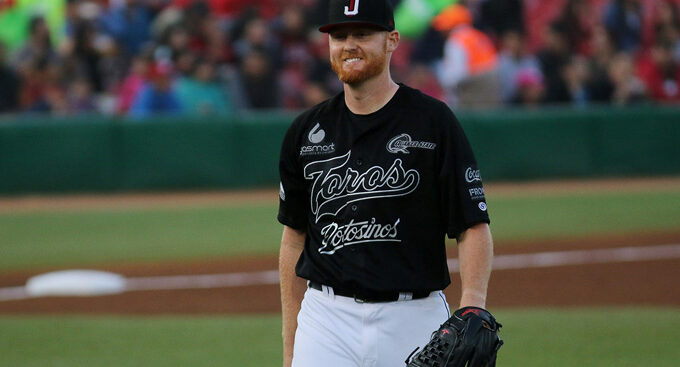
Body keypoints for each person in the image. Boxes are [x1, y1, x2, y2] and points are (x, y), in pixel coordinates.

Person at [278, 1, 496, 367]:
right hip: (325, 319)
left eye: (363, 34)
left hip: (414, 318)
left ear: (392, 40)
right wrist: (290, 348)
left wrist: (472, 304)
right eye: (340, 35)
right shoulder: (306, 131)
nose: (349, 44)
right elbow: (293, 240)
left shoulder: (433, 122)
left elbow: (472, 224)